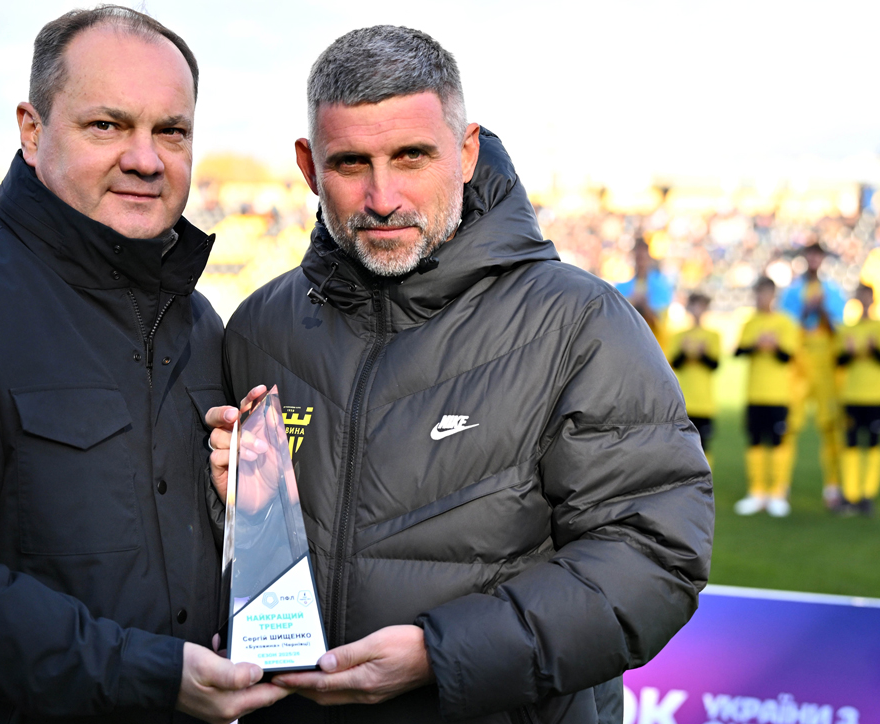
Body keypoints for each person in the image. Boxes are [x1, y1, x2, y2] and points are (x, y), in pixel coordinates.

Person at [206, 25, 714, 723]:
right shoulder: (259, 327)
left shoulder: (578, 322)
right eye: (351, 164)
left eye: (411, 156)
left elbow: (654, 556)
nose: (383, 197)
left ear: (467, 151)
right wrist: (233, 510)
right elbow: (217, 562)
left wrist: (442, 655)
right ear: (308, 166)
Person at [0, 7, 287, 723]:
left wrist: (241, 514)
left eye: (171, 131)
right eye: (107, 125)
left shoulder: (199, 323)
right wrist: (151, 674)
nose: (146, 158)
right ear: (32, 129)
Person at [780, 241, 846, 510]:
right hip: (798, 364)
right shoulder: (792, 292)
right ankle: (780, 485)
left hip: (824, 365)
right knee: (789, 425)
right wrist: (806, 311)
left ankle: (833, 486)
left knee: (830, 426)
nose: (814, 260)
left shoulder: (833, 291)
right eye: (811, 255)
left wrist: (822, 311)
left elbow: (838, 330)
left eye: (818, 255)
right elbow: (786, 328)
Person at [735, 276, 801, 518]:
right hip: (754, 393)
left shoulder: (785, 322)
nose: (761, 298)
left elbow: (788, 355)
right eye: (758, 293)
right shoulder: (750, 322)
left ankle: (777, 492)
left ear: (774, 295)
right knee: (754, 441)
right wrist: (758, 344)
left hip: (778, 394)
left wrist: (773, 345)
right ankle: (757, 491)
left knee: (777, 443)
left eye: (765, 293)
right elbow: (739, 351)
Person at [835, 284, 880, 516]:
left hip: (874, 396)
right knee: (851, 444)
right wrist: (849, 352)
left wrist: (874, 349)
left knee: (874, 444)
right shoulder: (847, 329)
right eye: (861, 297)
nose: (865, 301)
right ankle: (851, 493)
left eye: (868, 297)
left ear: (873, 299)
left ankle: (868, 493)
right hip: (851, 395)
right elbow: (839, 361)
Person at [667, 291, 721, 468]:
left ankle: (705, 480)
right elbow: (674, 364)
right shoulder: (678, 336)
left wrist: (702, 354)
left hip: (704, 402)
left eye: (701, 306)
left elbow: (715, 365)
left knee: (704, 446)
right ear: (689, 308)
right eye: (694, 305)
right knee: (682, 447)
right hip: (684, 402)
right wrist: (685, 352)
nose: (697, 310)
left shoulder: (713, 336)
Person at [616, 235, 675, 344]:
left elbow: (660, 323)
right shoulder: (621, 287)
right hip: (630, 343)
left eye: (643, 258)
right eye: (638, 258)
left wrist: (643, 305)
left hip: (653, 344)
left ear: (649, 258)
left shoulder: (662, 286)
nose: (641, 262)